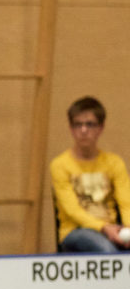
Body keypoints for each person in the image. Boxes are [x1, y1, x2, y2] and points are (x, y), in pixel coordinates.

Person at [50, 96, 130, 253]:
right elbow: (72, 210)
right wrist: (103, 227)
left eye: (90, 124)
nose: (84, 130)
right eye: (78, 124)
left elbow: (126, 202)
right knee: (108, 252)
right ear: (70, 128)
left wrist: (128, 227)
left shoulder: (114, 162)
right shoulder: (60, 165)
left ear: (101, 127)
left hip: (112, 229)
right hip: (75, 231)